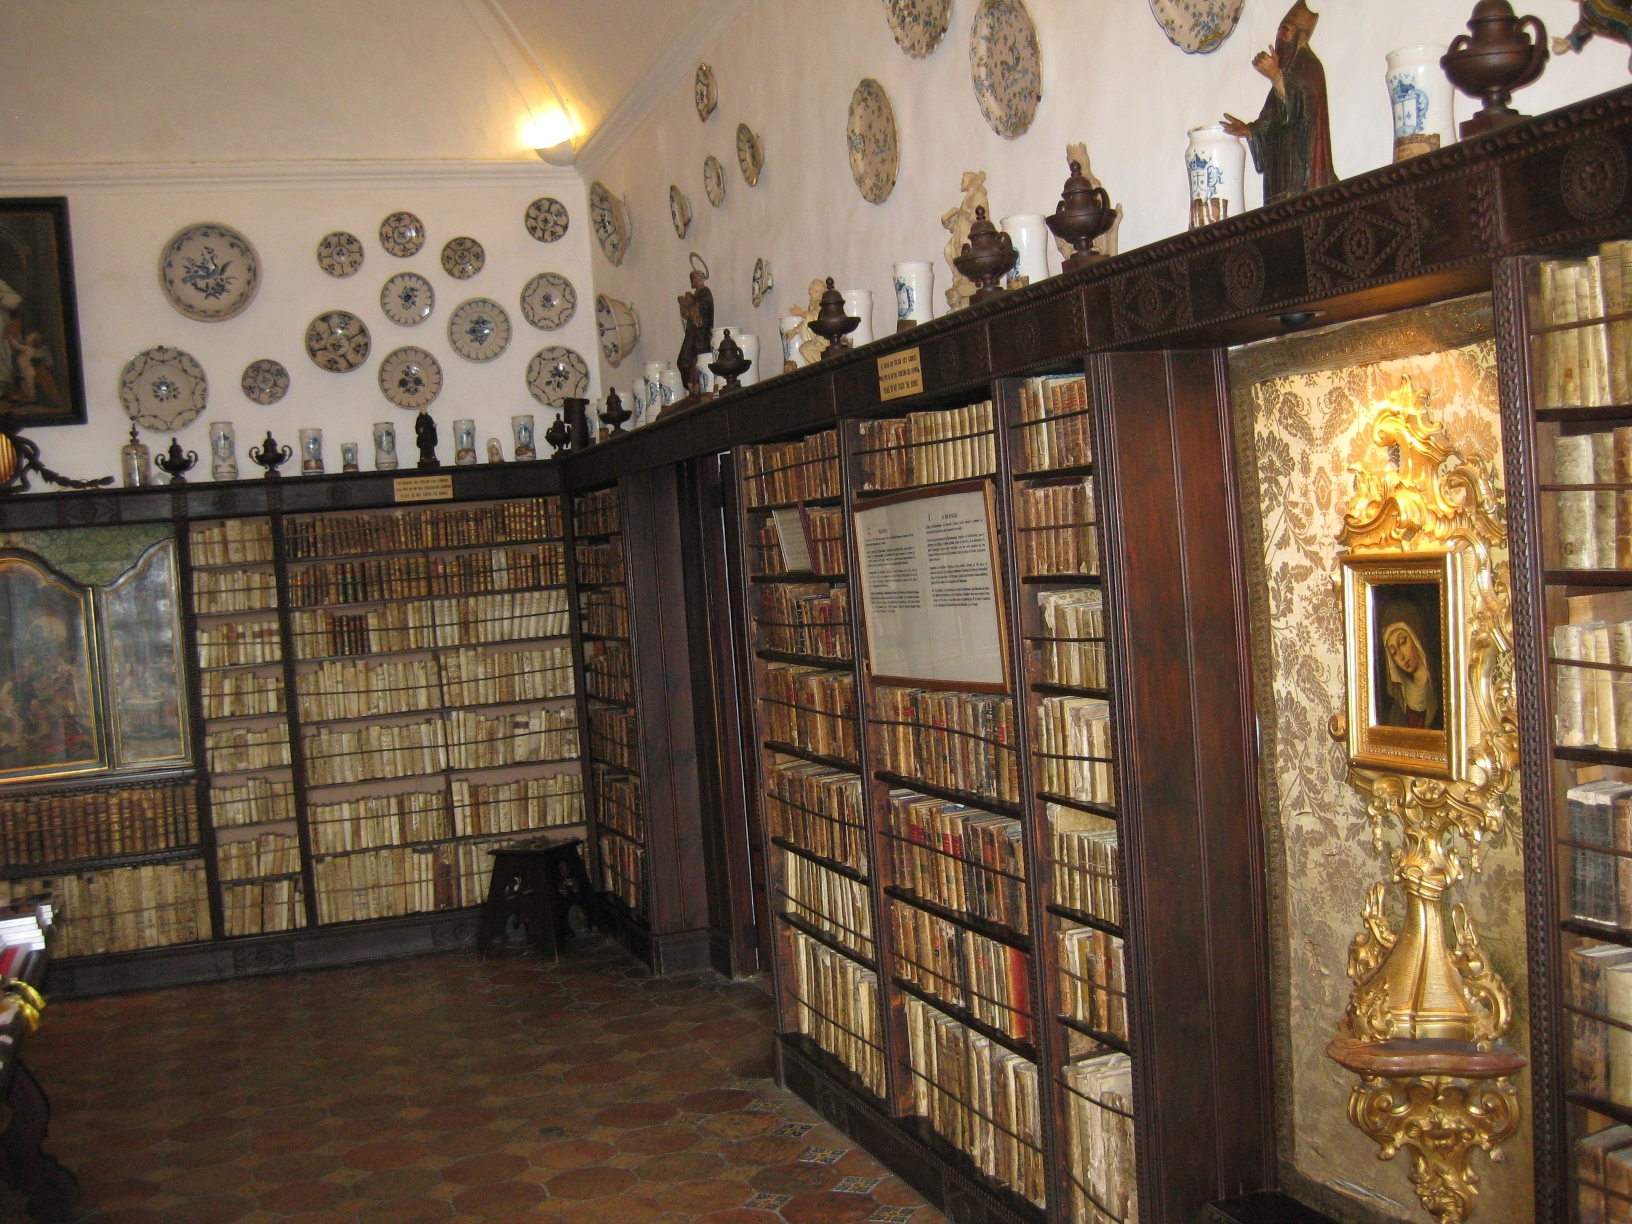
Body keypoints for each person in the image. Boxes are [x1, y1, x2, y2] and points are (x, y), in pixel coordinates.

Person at [1222, 0, 1335, 205]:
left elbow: (1299, 110)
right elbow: (1271, 120)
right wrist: (1250, 130)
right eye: (1278, 33)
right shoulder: (1285, 73)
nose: (1280, 38)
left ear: (1301, 37)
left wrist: (1277, 77)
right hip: (1279, 177)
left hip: (1300, 174)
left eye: (1286, 32)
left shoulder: (1309, 66)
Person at [1379, 614, 1440, 730]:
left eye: (1402, 642)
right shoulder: (1398, 704)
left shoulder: (1441, 681)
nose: (1401, 656)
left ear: (1415, 637)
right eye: (1393, 652)